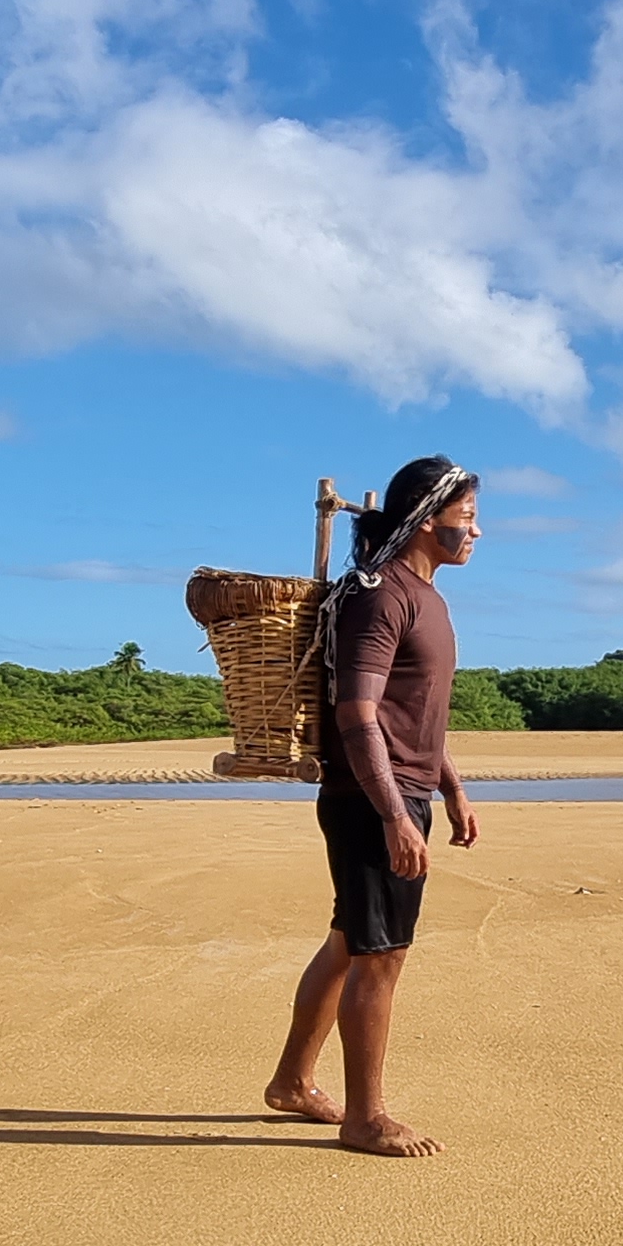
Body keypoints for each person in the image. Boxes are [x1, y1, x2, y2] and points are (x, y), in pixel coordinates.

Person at [265, 455, 479, 1158]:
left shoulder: (428, 598)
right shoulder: (380, 595)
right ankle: (366, 1117)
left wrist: (449, 787)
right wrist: (393, 813)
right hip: (368, 799)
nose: (477, 531)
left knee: (348, 944)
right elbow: (356, 713)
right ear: (426, 518)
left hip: (400, 793)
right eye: (467, 518)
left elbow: (413, 715)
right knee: (380, 958)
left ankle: (294, 1082)